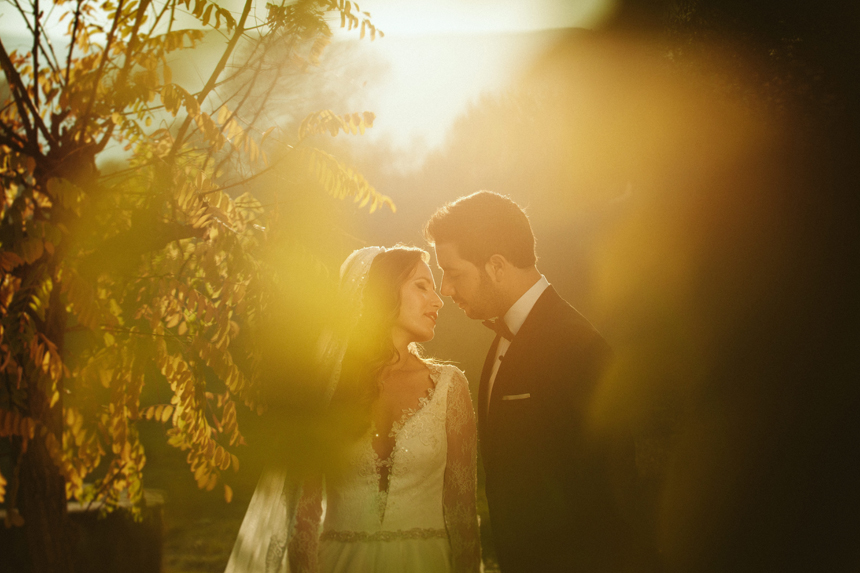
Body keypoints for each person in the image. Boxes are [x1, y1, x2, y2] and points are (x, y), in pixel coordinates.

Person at [225, 246, 481, 573]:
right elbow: (303, 514)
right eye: (422, 286)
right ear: (382, 293)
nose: (438, 300)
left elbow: (462, 511)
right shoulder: (330, 387)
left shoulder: (449, 387)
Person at [425, 191, 637, 572]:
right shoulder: (498, 344)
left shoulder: (577, 345)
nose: (446, 289)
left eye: (454, 273)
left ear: (496, 265)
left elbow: (616, 490)